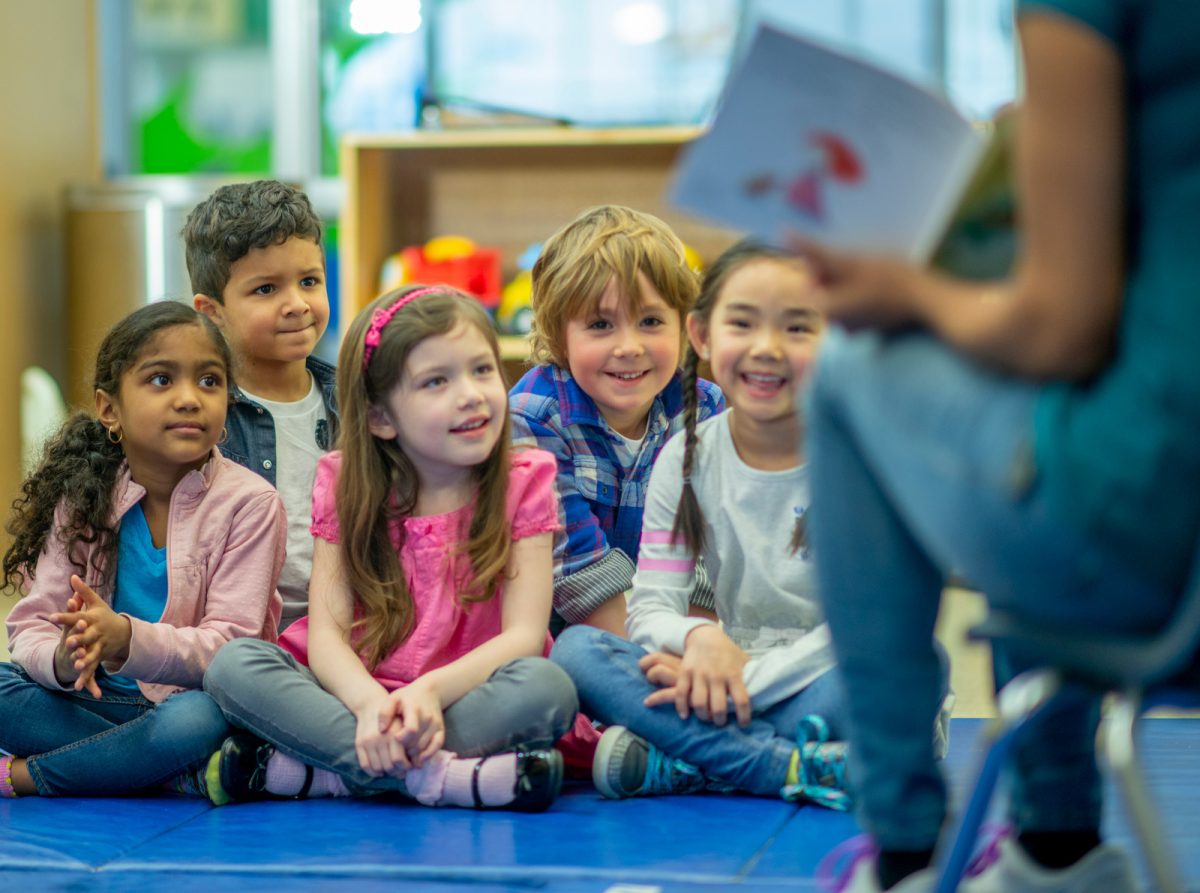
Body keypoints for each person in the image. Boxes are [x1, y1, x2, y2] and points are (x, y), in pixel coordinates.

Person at [797, 2, 1200, 890]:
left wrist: (910, 289)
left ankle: (903, 849)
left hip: (1152, 535)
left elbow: (1061, 327)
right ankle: (1052, 852)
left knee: (846, 369)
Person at [553, 241, 950, 805]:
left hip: (820, 678)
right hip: (721, 674)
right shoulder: (685, 458)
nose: (767, 349)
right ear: (703, 336)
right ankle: (783, 765)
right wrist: (700, 637)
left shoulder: (866, 459)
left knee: (916, 667)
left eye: (797, 328)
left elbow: (869, 623)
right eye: (742, 322)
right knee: (577, 652)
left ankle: (692, 759)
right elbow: (650, 609)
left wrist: (744, 685)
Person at [202, 286, 579, 812]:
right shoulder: (344, 482)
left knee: (547, 688)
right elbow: (329, 633)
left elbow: (522, 635)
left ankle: (329, 775)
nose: (470, 394)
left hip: (464, 695)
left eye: (482, 370)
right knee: (232, 666)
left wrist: (429, 693)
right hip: (357, 695)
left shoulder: (525, 478)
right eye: (436, 382)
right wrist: (371, 705)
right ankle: (440, 777)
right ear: (380, 417)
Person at [0, 302, 286, 798]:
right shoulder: (84, 495)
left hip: (188, 705)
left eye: (209, 382)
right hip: (94, 702)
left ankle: (27, 777)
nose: (189, 399)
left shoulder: (252, 503)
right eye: (160, 380)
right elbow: (30, 625)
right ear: (110, 409)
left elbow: (229, 648)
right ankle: (174, 774)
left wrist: (125, 639)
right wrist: (66, 660)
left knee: (197, 723)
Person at [509, 205, 725, 638]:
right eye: (601, 324)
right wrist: (670, 653)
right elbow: (577, 572)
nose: (629, 346)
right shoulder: (534, 416)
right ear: (558, 335)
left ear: (686, 331)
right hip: (572, 630)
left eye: (650, 321)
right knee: (580, 652)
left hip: (683, 629)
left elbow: (709, 550)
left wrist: (698, 649)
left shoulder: (702, 408)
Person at [184, 179, 337, 630]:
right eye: (266, 289)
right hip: (242, 634)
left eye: (309, 281)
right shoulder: (197, 416)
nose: (296, 304)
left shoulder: (357, 401)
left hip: (346, 629)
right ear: (211, 311)